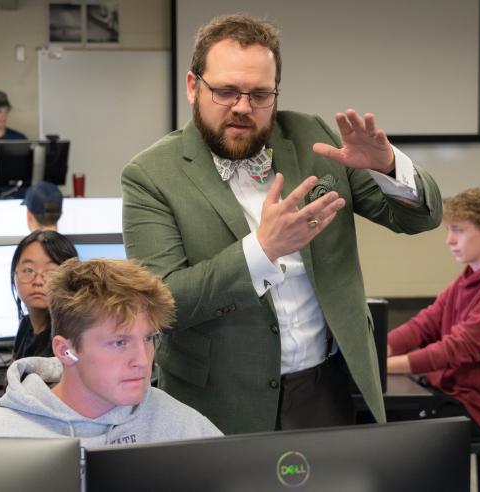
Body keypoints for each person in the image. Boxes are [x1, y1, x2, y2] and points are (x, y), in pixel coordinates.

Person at [121, 14, 443, 434]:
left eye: (259, 95)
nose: (242, 107)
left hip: (324, 384)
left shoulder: (309, 136)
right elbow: (161, 304)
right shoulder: (151, 174)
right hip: (218, 396)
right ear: (193, 86)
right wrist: (262, 251)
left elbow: (419, 218)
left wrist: (386, 166)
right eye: (226, 92)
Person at [0, 258, 223, 445]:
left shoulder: (179, 426)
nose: (143, 361)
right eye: (119, 343)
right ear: (65, 351)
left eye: (148, 338)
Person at [386, 188, 480, 436]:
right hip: (443, 391)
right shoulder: (470, 277)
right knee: (367, 409)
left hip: (472, 409)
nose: (450, 241)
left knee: (377, 422)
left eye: (459, 231)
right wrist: (379, 351)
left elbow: (456, 349)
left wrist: (385, 366)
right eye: (449, 231)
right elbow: (424, 324)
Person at [11, 230, 78, 360]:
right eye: (28, 270)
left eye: (51, 272)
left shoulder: (68, 341)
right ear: (15, 274)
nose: (38, 281)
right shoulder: (26, 325)